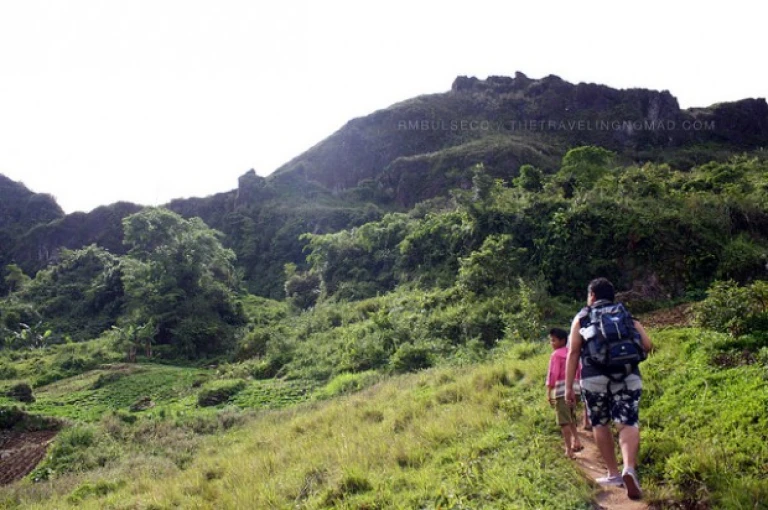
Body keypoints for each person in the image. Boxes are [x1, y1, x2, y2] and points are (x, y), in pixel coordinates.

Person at [565, 278, 652, 500]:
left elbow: (573, 352)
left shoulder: (583, 317)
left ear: (592, 295)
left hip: (594, 379)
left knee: (600, 422)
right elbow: (647, 344)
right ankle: (629, 469)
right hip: (627, 376)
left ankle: (613, 473)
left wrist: (569, 388)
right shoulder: (625, 315)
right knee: (627, 422)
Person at [546, 327, 584, 458]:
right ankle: (577, 440)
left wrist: (549, 391)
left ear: (562, 340)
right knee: (571, 416)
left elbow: (553, 374)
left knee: (564, 421)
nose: (552, 343)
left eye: (553, 340)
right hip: (576, 389)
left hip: (562, 390)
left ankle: (569, 450)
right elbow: (579, 370)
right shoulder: (572, 353)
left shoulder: (556, 355)